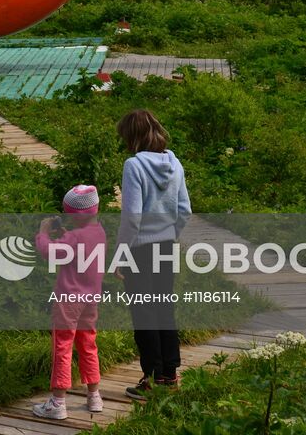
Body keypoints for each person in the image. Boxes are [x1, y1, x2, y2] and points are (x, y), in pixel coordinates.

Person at [115, 109, 191, 400]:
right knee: (164, 310)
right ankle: (169, 376)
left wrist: (122, 254)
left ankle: (149, 379)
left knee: (144, 314)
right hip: (166, 247)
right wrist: (170, 235)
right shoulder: (175, 163)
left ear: (131, 137)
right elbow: (184, 210)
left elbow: (132, 217)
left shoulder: (134, 166)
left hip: (140, 250)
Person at [30, 185, 106, 419]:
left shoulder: (73, 237)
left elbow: (49, 252)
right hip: (90, 299)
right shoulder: (99, 232)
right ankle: (94, 396)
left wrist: (43, 233)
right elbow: (78, 246)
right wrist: (66, 233)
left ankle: (57, 402)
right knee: (88, 343)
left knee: (63, 345)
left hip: (68, 299)